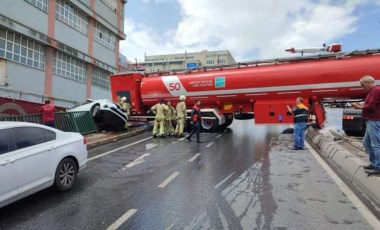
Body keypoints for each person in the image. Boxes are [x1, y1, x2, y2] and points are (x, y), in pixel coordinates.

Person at [352, 75, 380, 171]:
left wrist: (358, 107)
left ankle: (378, 166)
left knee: (376, 144)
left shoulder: (375, 91)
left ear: (368, 83)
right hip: (371, 120)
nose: (362, 87)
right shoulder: (373, 91)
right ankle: (374, 163)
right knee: (366, 143)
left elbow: (371, 106)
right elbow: (371, 104)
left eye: (363, 85)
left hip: (374, 120)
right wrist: (362, 105)